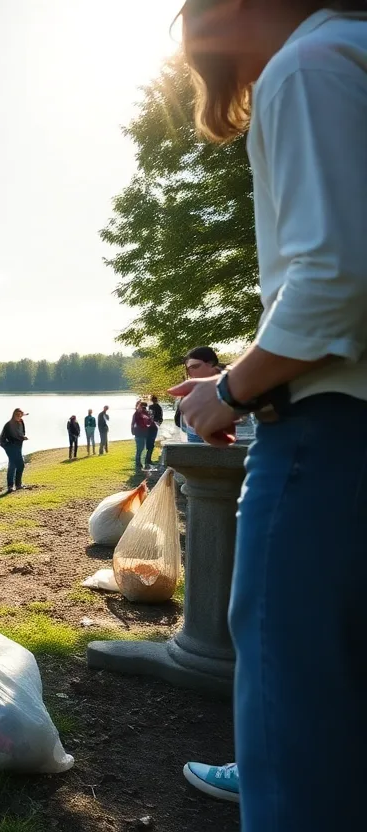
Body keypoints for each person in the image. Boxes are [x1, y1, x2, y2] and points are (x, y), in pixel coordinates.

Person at [175, 4, 367, 828]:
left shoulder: (310, 63)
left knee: (292, 693)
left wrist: (229, 392)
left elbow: (333, 282)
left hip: (329, 433)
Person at [177, 346, 225, 442]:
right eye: (188, 369)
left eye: (195, 367)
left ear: (211, 364)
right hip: (195, 435)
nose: (191, 373)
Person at [0, 409, 29, 491]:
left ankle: (15, 485)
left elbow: (22, 432)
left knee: (13, 463)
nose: (19, 416)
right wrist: (22, 438)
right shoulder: (9, 424)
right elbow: (11, 437)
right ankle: (13, 485)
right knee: (19, 464)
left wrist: (22, 437)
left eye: (20, 414)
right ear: (13, 415)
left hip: (17, 444)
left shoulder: (21, 422)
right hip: (8, 444)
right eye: (17, 415)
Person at [131, 400, 154, 472]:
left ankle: (140, 463)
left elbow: (149, 422)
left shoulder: (144, 413)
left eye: (145, 407)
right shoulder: (138, 413)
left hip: (143, 433)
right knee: (140, 449)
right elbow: (133, 422)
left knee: (141, 449)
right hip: (140, 433)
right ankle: (138, 463)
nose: (144, 408)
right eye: (143, 407)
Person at [146, 395, 164, 466]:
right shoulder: (158, 407)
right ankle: (148, 460)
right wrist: (158, 424)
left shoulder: (150, 407)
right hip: (154, 426)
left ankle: (148, 459)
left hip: (150, 426)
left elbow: (149, 416)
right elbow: (160, 417)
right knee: (151, 442)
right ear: (156, 400)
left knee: (150, 442)